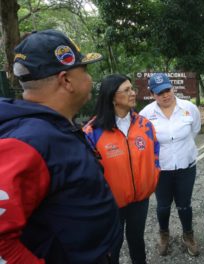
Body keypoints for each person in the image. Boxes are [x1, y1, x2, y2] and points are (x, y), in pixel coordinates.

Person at [0, 29, 121, 263]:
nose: (90, 78)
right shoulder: (28, 142)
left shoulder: (54, 127)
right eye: (84, 70)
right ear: (66, 80)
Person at [83, 74, 160, 264]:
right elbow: (89, 174)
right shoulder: (92, 132)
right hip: (110, 205)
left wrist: (151, 182)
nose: (133, 93)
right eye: (126, 90)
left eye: (132, 88)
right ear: (112, 97)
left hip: (140, 200)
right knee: (112, 247)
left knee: (137, 241)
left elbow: (156, 156)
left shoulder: (145, 125)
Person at [139, 73, 201, 257]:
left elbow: (195, 130)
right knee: (163, 206)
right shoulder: (146, 114)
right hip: (161, 169)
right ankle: (164, 235)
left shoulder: (188, 108)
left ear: (172, 88)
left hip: (186, 166)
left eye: (167, 90)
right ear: (152, 94)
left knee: (185, 205)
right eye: (160, 93)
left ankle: (188, 235)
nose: (165, 95)